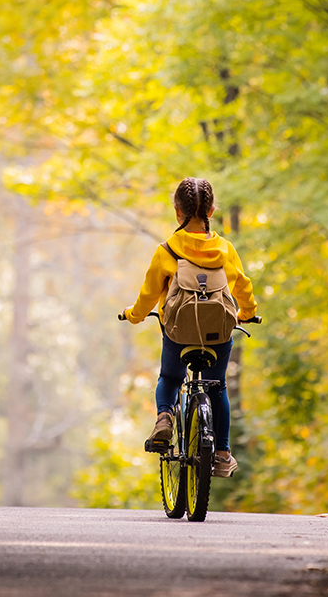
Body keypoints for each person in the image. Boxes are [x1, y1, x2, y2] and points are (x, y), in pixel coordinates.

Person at [120, 177, 257, 477]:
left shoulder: (167, 250)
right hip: (218, 335)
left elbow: (148, 295)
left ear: (177, 211)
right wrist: (247, 312)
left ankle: (164, 418)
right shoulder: (225, 249)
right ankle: (221, 452)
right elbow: (243, 287)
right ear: (210, 212)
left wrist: (134, 315)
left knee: (169, 376)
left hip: (179, 334)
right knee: (217, 387)